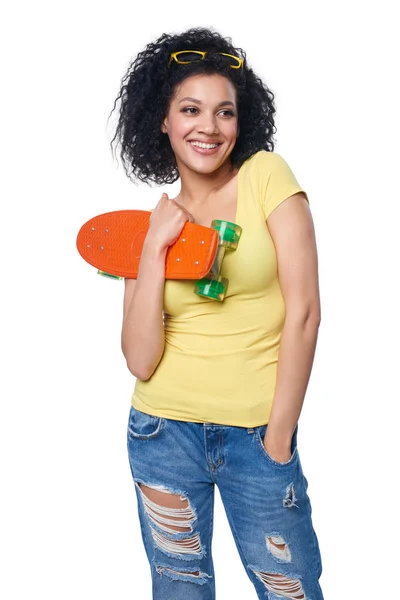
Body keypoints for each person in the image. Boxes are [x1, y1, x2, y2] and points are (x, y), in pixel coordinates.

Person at [111, 26, 324, 600]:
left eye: (224, 112)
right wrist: (154, 248)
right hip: (161, 433)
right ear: (163, 120)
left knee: (290, 590)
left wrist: (278, 434)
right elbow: (140, 358)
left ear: (241, 121)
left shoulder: (266, 178)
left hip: (257, 435)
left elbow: (305, 312)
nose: (208, 127)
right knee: (179, 590)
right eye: (190, 110)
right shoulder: (151, 225)